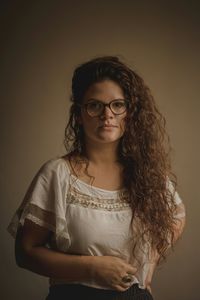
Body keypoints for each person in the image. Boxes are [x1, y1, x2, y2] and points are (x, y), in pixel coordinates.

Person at [8, 56, 186, 300]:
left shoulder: (148, 174)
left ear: (129, 113)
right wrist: (92, 268)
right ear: (79, 114)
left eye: (117, 105)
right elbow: (25, 253)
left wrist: (149, 265)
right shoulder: (57, 174)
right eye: (95, 105)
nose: (107, 114)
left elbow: (176, 217)